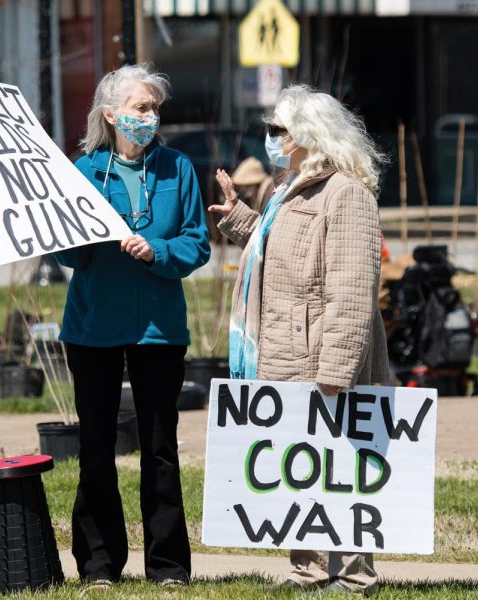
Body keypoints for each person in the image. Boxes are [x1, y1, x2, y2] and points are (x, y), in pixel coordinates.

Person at [210, 85, 392, 597]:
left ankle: (354, 576)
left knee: (342, 467)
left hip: (322, 357)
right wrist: (241, 217)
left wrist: (336, 370)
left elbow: (352, 291)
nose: (270, 139)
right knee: (299, 464)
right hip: (284, 350)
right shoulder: (288, 189)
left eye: (278, 130)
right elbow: (281, 255)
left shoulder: (346, 193)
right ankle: (309, 572)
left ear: (309, 135)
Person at [54, 64, 210, 589]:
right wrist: (89, 237)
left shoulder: (177, 168)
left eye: (154, 108)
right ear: (111, 114)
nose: (150, 117)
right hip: (93, 326)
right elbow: (64, 254)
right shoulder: (82, 171)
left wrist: (157, 250)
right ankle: (99, 565)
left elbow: (196, 244)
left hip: (157, 331)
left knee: (160, 447)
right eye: (140, 108)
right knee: (96, 447)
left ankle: (168, 567)